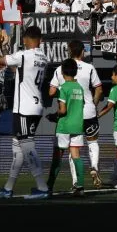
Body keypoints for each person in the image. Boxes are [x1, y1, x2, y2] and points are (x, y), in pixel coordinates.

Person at [0, 25, 50, 199]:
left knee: (27, 145)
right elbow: (17, 70)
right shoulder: (43, 57)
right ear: (41, 40)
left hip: (24, 108)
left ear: (24, 40)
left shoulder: (24, 55)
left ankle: (42, 187)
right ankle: (8, 188)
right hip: (36, 106)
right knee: (19, 147)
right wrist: (5, 47)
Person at [49, 40, 103, 189]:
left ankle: (74, 182)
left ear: (69, 51)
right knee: (92, 141)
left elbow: (52, 91)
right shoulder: (89, 67)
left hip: (70, 114)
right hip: (88, 111)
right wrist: (94, 104)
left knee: (71, 150)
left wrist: (63, 95)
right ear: (82, 52)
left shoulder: (61, 69)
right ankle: (94, 167)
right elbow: (98, 89)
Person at [47, 58, 85, 196]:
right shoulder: (79, 88)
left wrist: (53, 116)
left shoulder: (63, 88)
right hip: (78, 125)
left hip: (64, 127)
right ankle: (80, 187)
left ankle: (49, 187)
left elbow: (62, 110)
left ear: (62, 72)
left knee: (57, 157)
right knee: (76, 156)